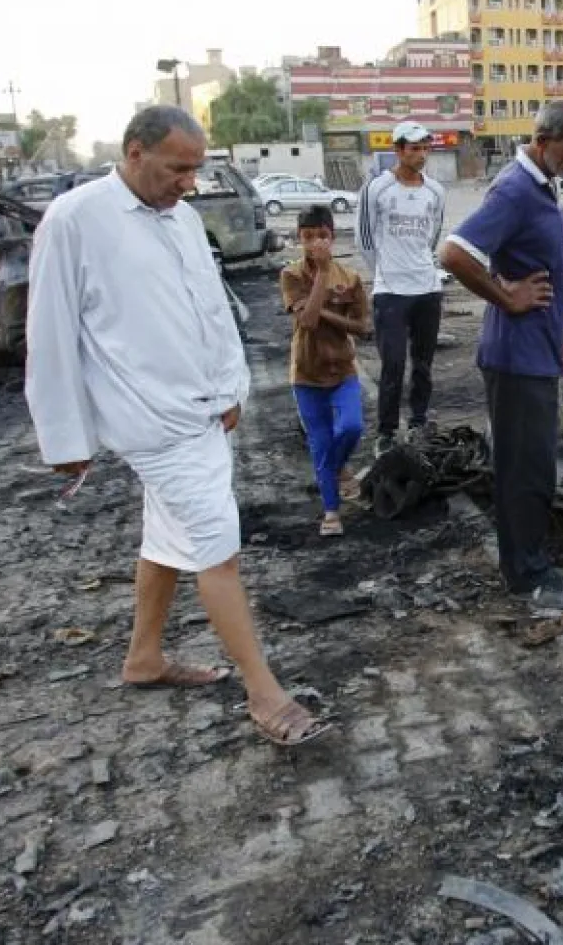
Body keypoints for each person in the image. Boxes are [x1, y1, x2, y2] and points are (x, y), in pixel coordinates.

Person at [24, 106, 330, 747]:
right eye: (177, 169)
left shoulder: (184, 219)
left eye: (196, 169)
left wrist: (232, 386)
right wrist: (65, 438)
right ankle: (264, 692)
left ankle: (144, 658)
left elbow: (213, 309)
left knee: (167, 540)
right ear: (135, 153)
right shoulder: (75, 220)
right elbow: (50, 333)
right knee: (218, 547)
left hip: (203, 412)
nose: (189, 183)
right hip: (149, 420)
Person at [442, 101, 563, 611]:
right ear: (542, 140)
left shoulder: (542, 184)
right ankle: (527, 578)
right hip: (515, 360)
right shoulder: (515, 190)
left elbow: (534, 266)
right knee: (524, 473)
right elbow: (454, 253)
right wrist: (507, 298)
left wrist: (555, 337)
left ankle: (530, 560)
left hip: (536, 352)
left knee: (534, 467)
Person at [356, 122, 448, 456]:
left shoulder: (435, 191)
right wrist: (385, 273)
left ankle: (419, 421)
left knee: (423, 363)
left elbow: (433, 235)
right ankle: (386, 431)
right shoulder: (376, 189)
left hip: (427, 288)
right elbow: (365, 239)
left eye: (425, 148)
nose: (421, 155)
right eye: (414, 148)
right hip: (391, 291)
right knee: (393, 364)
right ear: (398, 150)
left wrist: (422, 267)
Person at [280, 205, 371, 537]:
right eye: (307, 237)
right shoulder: (291, 275)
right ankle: (331, 511)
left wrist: (327, 315)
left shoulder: (350, 278)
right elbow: (306, 321)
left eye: (322, 235)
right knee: (320, 442)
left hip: (343, 369)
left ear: (332, 236)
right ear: (299, 239)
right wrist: (320, 273)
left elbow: (362, 327)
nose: (315, 242)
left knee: (351, 426)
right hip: (307, 373)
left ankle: (340, 467)